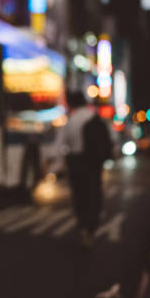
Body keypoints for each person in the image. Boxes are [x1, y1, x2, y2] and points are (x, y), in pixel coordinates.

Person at [61, 91, 112, 249]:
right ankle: (91, 229)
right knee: (94, 194)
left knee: (80, 196)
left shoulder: (71, 121)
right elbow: (111, 139)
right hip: (93, 163)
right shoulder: (95, 117)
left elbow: (62, 145)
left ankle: (83, 226)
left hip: (76, 162)